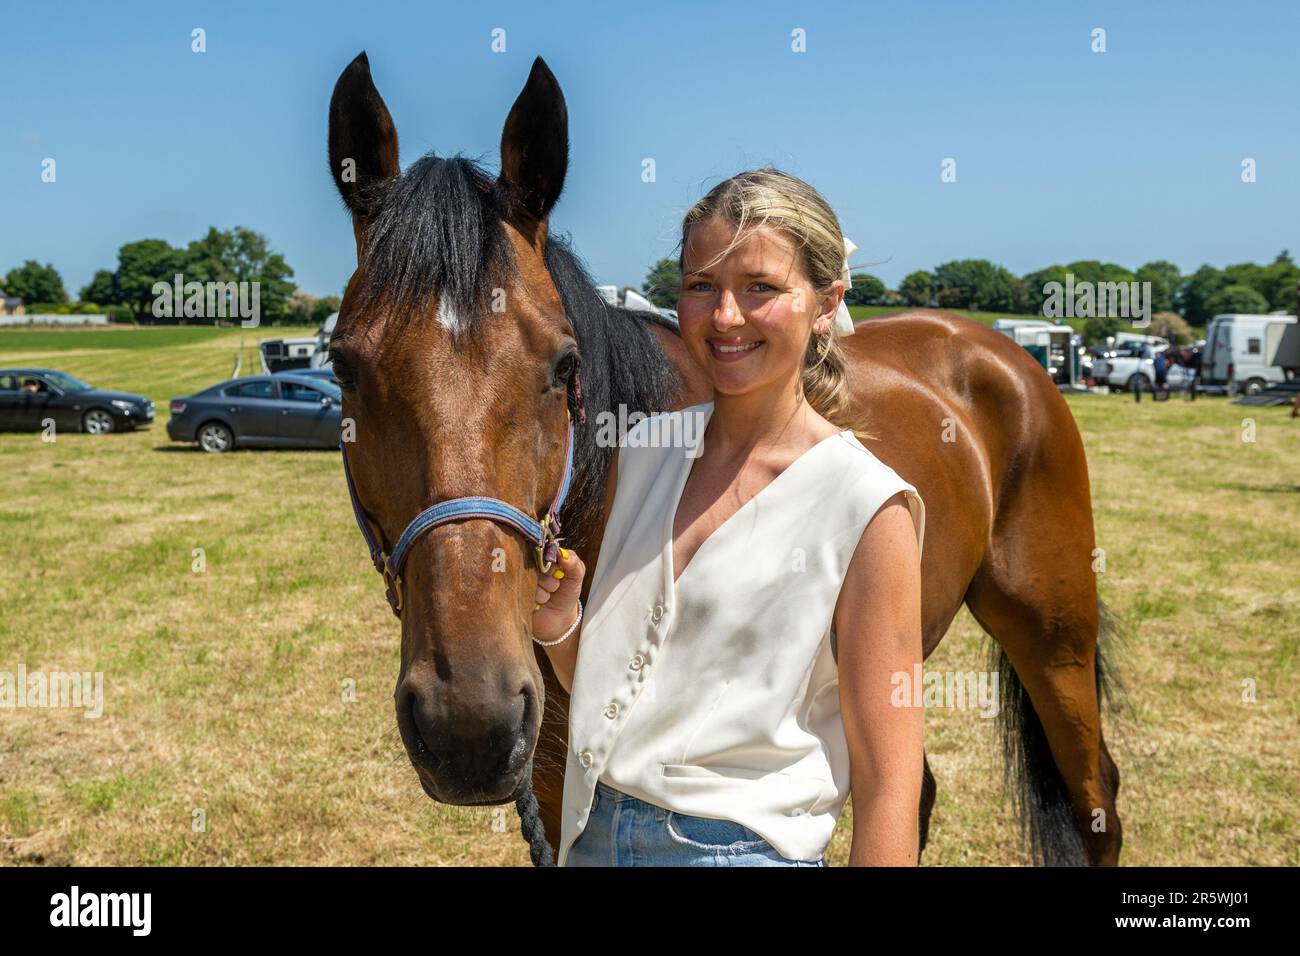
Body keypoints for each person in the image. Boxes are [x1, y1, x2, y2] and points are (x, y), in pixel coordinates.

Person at [532, 167, 926, 867]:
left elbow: (890, 783)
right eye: (700, 286)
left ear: (826, 301)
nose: (725, 318)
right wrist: (563, 623)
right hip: (589, 838)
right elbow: (612, 693)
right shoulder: (641, 454)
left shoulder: (866, 506)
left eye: (761, 289)